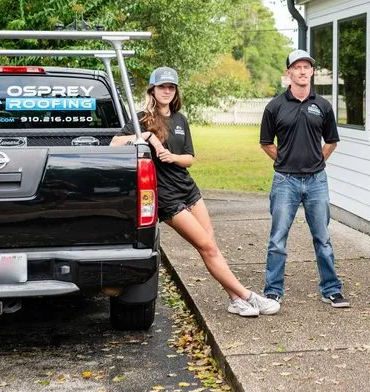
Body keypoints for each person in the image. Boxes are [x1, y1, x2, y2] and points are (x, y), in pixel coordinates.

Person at [111, 66, 280, 318]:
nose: (166, 91)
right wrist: (147, 135)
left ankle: (234, 299)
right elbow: (114, 143)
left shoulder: (180, 120)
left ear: (175, 91)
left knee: (211, 245)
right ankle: (247, 296)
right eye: (162, 87)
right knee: (206, 246)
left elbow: (189, 158)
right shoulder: (141, 120)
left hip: (189, 189)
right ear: (153, 90)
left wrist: (172, 157)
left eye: (171, 87)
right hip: (167, 198)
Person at [259, 49, 348, 308]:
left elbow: (331, 141)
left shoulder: (322, 106)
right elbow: (266, 143)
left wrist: (316, 161)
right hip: (285, 181)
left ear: (311, 71)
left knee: (323, 237)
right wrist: (284, 159)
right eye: (296, 67)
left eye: (306, 67)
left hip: (316, 181)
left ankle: (331, 289)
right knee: (277, 239)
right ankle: (273, 290)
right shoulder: (275, 106)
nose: (301, 71)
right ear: (288, 73)